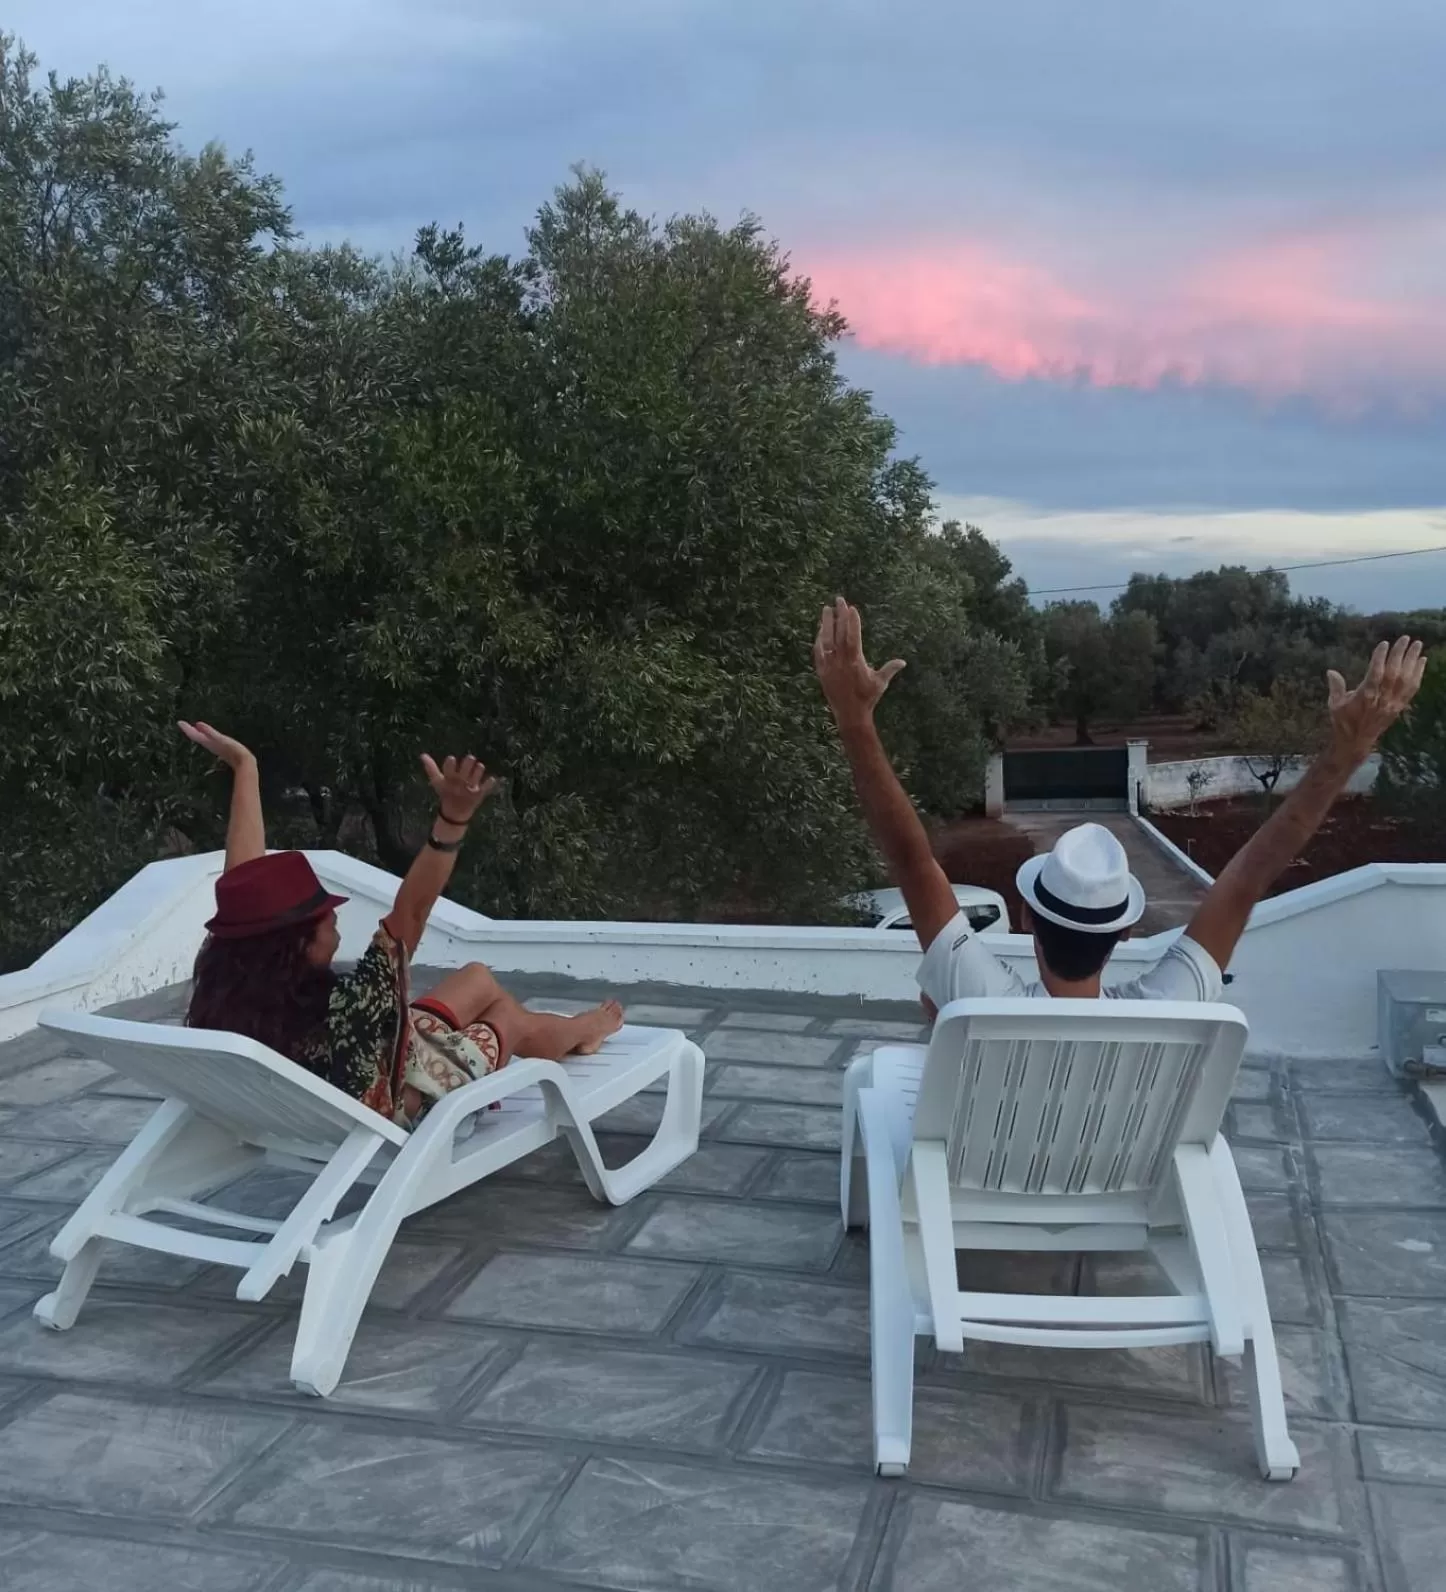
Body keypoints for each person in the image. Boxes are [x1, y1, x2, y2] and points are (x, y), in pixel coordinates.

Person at [813, 597, 1426, 1013]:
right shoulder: (1170, 1008)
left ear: (1027, 921)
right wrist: (1349, 750)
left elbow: (913, 861)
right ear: (1126, 931)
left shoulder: (982, 1001)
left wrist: (852, 717)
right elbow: (1249, 878)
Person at [180, 722, 623, 1128]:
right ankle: (586, 1030)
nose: (334, 920)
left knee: (476, 978)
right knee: (507, 1015)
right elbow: (412, 909)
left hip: (347, 1081)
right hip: (400, 1104)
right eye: (321, 919)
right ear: (293, 947)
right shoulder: (354, 1004)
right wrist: (453, 819)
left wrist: (246, 767)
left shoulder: (235, 984)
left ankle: (561, 1032)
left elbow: (244, 883)